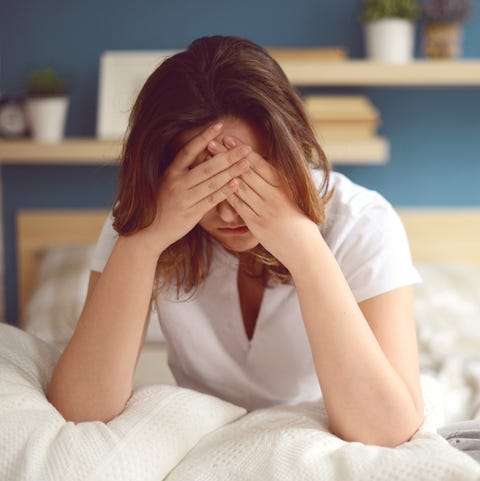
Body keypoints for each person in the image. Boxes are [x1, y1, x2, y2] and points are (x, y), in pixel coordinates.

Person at [48, 35, 424, 447]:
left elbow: (388, 431)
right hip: (203, 438)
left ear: (292, 153)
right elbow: (82, 411)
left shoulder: (363, 223)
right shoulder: (146, 215)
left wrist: (303, 246)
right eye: (205, 184)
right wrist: (145, 240)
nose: (229, 214)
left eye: (248, 181)